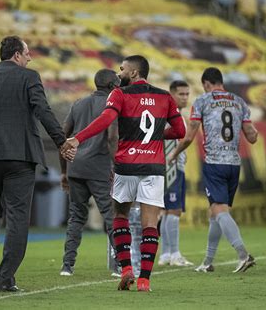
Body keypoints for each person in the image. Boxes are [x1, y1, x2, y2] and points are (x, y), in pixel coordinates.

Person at [0, 35, 73, 292]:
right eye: (27, 53)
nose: (30, 58)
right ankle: (6, 277)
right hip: (21, 156)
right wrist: (62, 141)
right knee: (18, 217)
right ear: (17, 55)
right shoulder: (29, 78)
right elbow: (43, 111)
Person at [61, 55, 186, 292]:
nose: (118, 74)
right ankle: (144, 281)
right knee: (150, 223)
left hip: (126, 165)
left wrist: (78, 138)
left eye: (122, 69)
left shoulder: (119, 94)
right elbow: (179, 130)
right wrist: (155, 136)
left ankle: (127, 269)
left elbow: (107, 118)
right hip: (153, 167)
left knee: (120, 215)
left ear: (135, 73)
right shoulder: (164, 96)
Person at [169, 67, 258, 273]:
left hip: (214, 163)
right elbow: (252, 136)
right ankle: (207, 262)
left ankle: (243, 254)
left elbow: (189, 136)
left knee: (219, 210)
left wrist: (173, 154)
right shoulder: (239, 101)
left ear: (207, 84)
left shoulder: (202, 101)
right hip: (234, 164)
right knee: (215, 213)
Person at [59, 69, 120, 277]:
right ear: (113, 86)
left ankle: (67, 266)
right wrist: (116, 166)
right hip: (99, 167)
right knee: (112, 217)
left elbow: (63, 137)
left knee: (76, 217)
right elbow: (112, 138)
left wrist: (64, 171)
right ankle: (119, 265)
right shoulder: (112, 105)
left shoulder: (78, 104)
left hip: (76, 168)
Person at [158, 80, 193, 267]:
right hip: (171, 167)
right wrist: (172, 157)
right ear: (171, 94)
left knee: (165, 211)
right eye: (181, 94)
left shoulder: (173, 113)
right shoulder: (169, 114)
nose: (185, 97)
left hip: (170, 166)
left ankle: (165, 254)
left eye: (187, 94)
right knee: (174, 210)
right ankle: (175, 253)